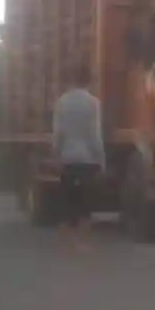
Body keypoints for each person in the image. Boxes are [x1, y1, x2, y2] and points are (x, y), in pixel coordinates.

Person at [52, 62, 105, 252]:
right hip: (88, 160)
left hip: (67, 158)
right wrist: (101, 158)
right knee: (85, 205)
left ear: (72, 79)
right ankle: (82, 244)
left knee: (67, 203)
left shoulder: (61, 102)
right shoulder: (93, 103)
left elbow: (58, 133)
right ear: (89, 80)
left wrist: (56, 155)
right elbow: (94, 134)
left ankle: (66, 244)